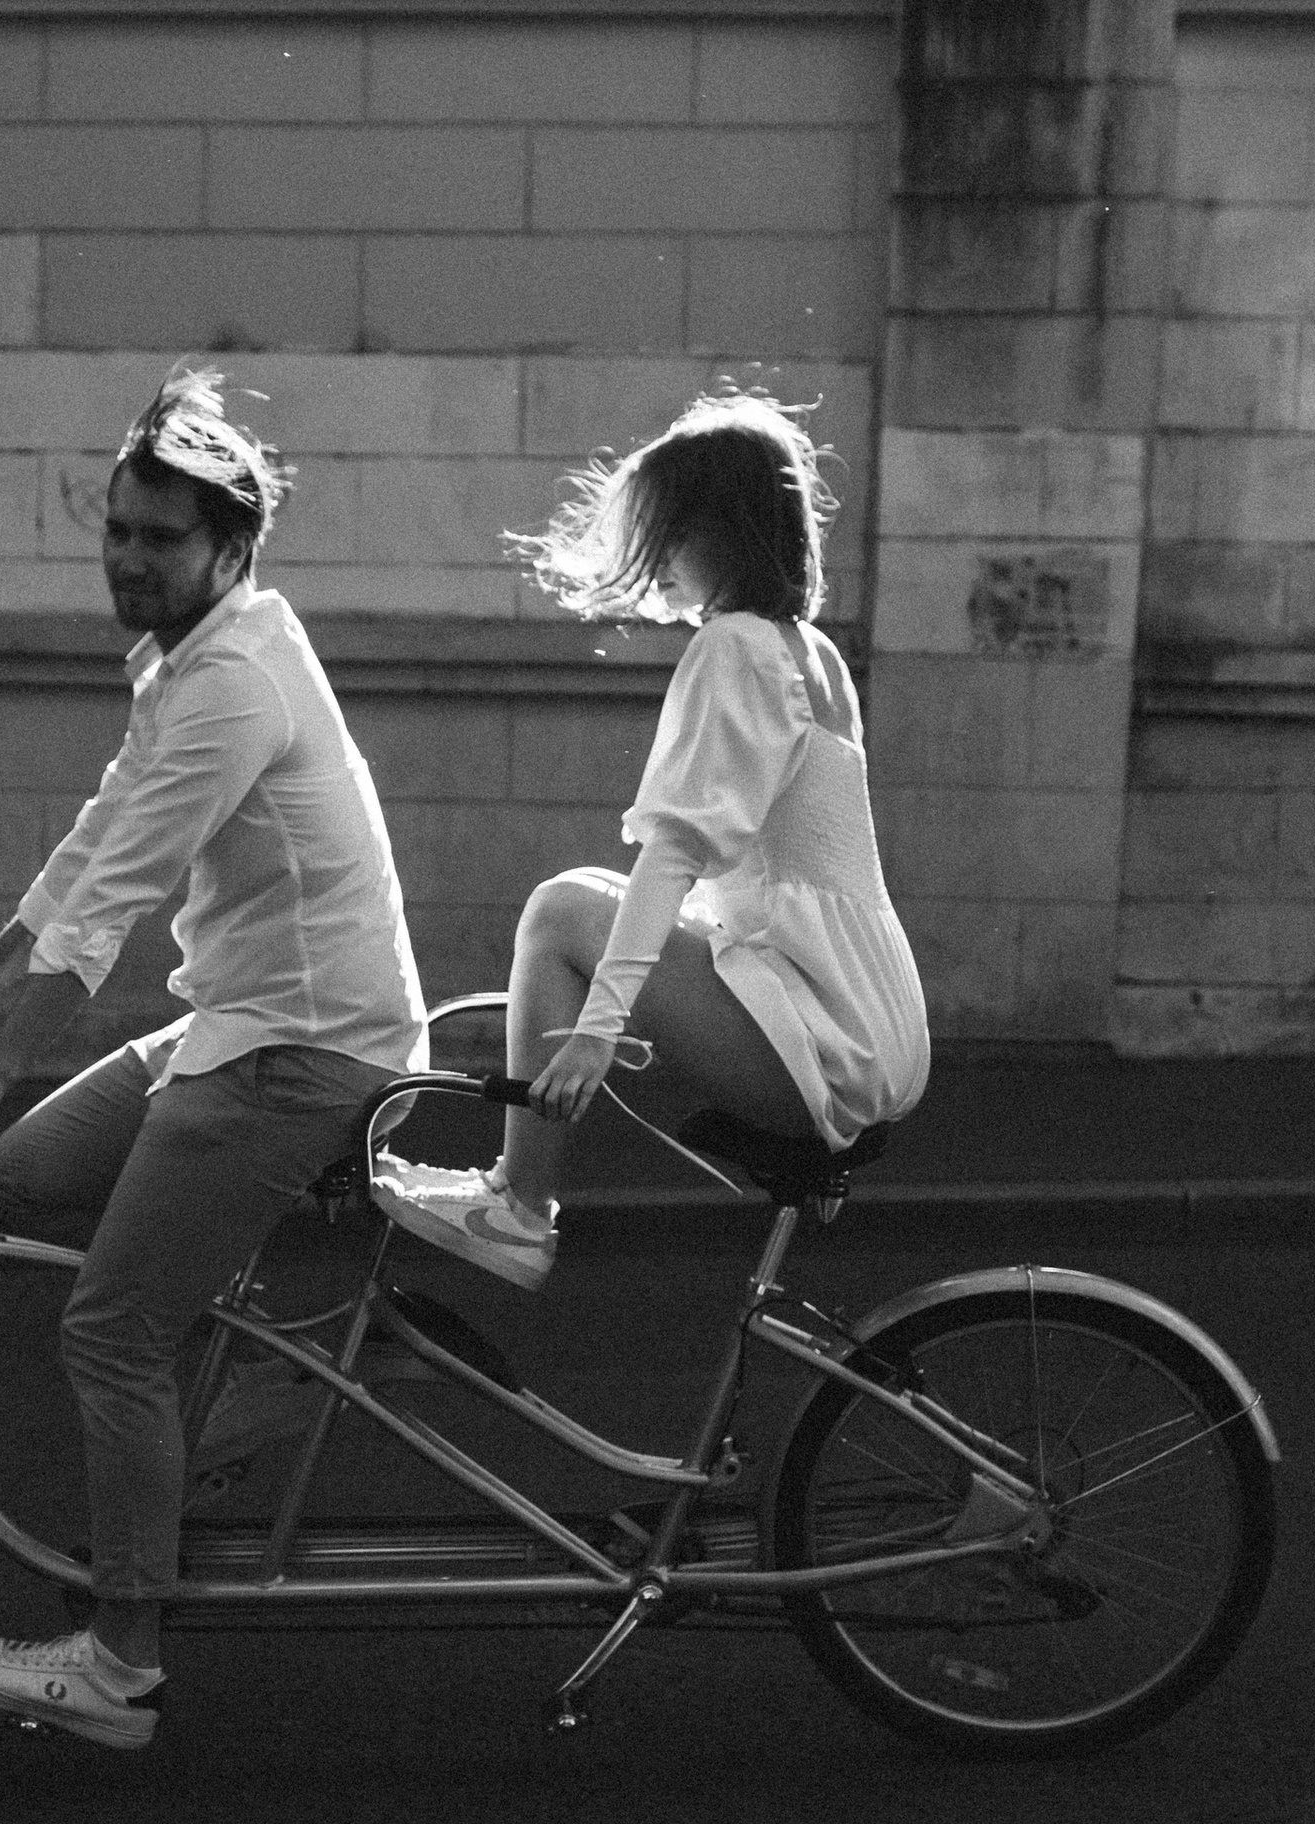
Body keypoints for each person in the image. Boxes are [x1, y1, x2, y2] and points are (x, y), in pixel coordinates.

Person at [0, 365, 428, 1754]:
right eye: (116, 529)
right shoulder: (189, 658)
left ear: (231, 546)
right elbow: (96, 836)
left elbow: (118, 899)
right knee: (28, 1174)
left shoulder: (233, 686)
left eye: (161, 538)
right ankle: (279, 1345)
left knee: (110, 1330)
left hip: (303, 1051)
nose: (128, 558)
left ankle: (121, 1662)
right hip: (236, 1021)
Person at [374, 391, 928, 1291]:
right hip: (871, 1022)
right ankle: (518, 1196)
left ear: (724, 531)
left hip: (824, 1039)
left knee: (560, 911)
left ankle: (518, 1206)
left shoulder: (735, 647)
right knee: (592, 902)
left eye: (671, 530)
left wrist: (597, 1030)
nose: (659, 553)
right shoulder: (811, 652)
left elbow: (676, 851)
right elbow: (763, 874)